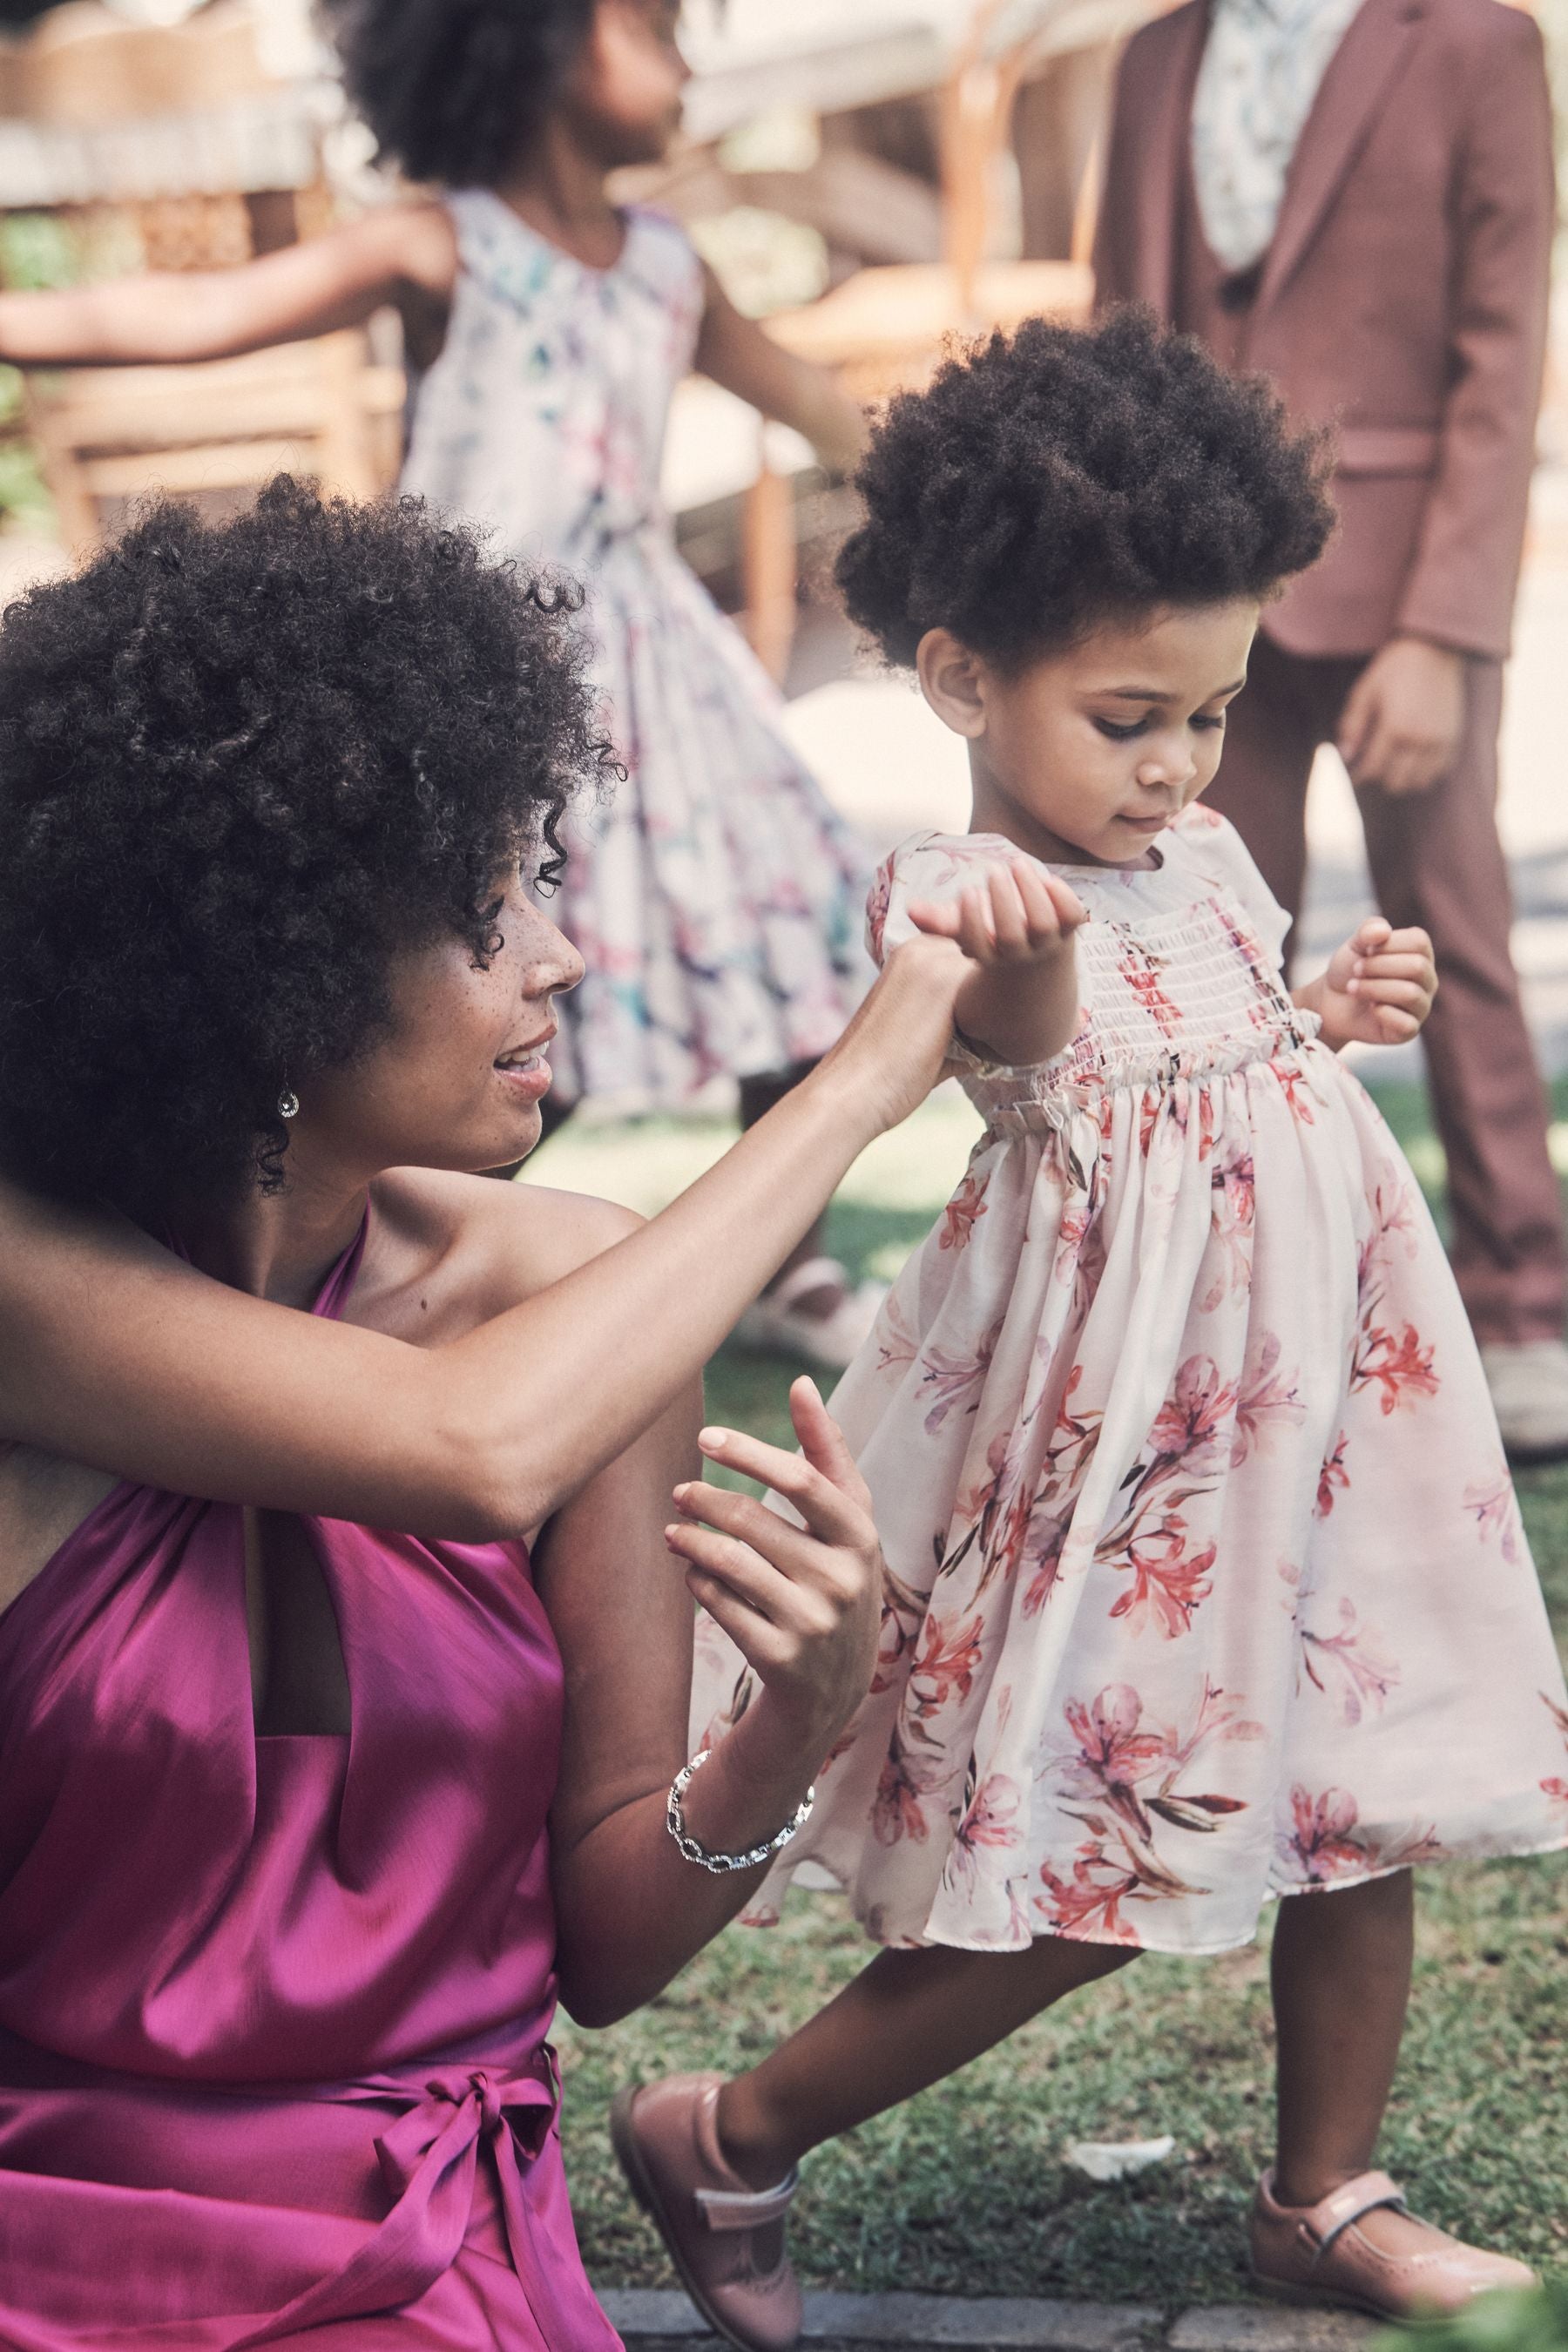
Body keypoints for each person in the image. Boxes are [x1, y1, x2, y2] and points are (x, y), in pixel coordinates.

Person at [612, 314, 1568, 2346]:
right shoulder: (965, 901)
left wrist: (1330, 1014)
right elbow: (1047, 1046)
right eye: (1132, 715)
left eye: (1212, 714)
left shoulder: (1206, 856)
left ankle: (1327, 2193)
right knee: (1109, 1859)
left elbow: (1223, 1048)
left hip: (1318, 1406)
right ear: (962, 678)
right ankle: (735, 2127)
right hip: (1141, 1457)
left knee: (1356, 1782)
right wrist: (1034, 957)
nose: (1179, 765)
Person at [0, 478, 979, 2345]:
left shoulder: (576, 1298)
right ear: (258, 967)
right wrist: (855, 1087)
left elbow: (608, 1950)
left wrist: (795, 1721)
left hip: (427, 2241)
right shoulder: (28, 1280)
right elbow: (468, 1449)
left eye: (538, 879)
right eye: (480, 910)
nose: (559, 957)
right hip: (53, 2223)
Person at [0, 0, 882, 1367]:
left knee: (797, 937)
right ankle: (433, 1263)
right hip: (472, 688)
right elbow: (196, 312)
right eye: (650, 25)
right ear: (524, 43)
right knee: (468, 985)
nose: (686, 54)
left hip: (661, 683)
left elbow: (819, 402)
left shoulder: (668, 264)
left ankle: (790, 1264)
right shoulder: (441, 241)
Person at [1090, 0, 1565, 1461]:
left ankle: (1526, 1297)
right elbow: (1123, 332)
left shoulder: (1475, 43)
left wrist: (1446, 629)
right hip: (1193, 595)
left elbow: (1503, 357)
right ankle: (1236, 1300)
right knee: (1202, 952)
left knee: (1455, 933)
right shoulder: (1154, 57)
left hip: (1399, 572)